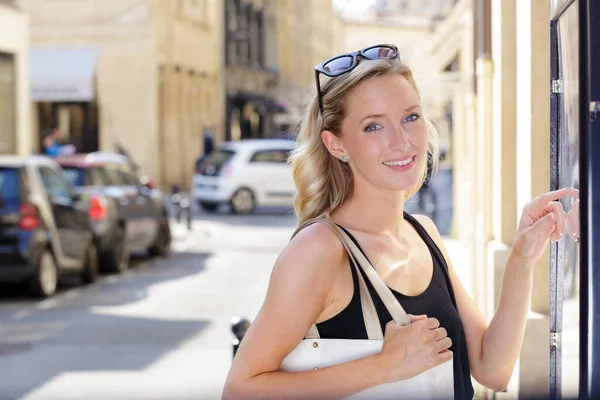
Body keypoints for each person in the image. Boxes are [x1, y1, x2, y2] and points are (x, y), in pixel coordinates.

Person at [222, 44, 573, 400]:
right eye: (373, 126)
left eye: (410, 117)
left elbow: (492, 369)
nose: (401, 141)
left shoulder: (424, 233)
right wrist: (383, 366)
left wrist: (522, 259)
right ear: (336, 144)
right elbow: (239, 390)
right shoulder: (320, 250)